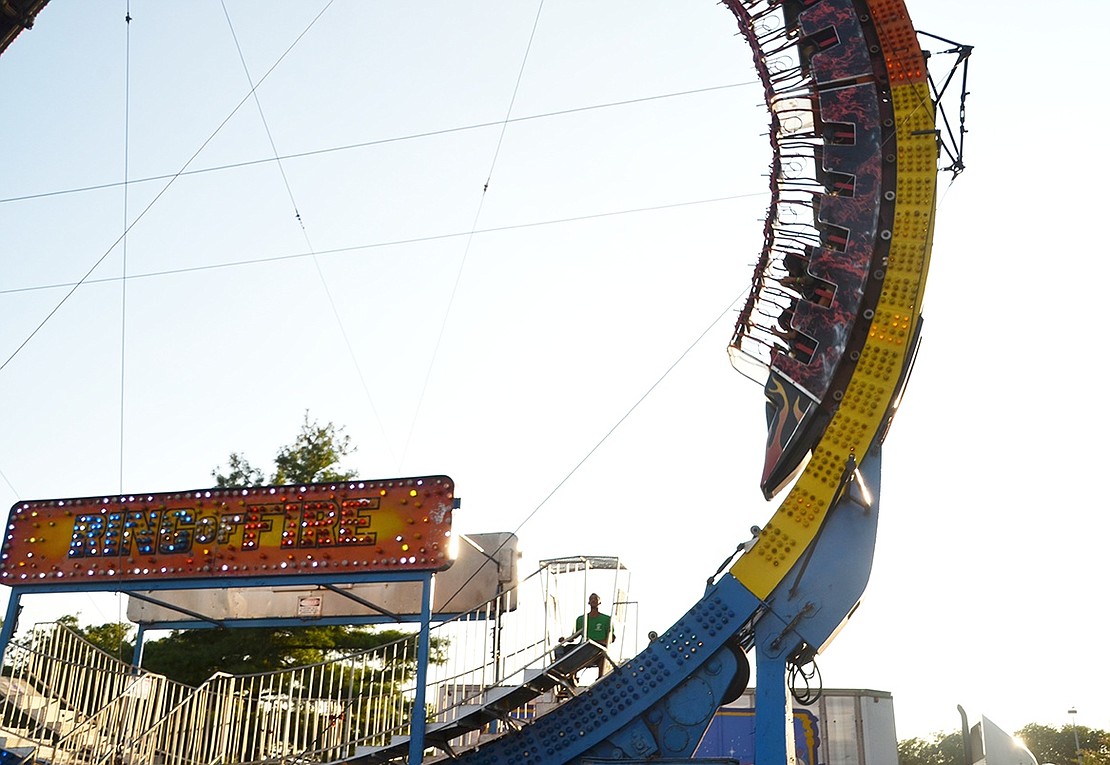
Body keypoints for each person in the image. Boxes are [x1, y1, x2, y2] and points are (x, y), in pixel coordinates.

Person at [561, 593, 615, 681]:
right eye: (591, 599)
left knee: (602, 655)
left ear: (599, 602)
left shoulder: (607, 619)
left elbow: (611, 638)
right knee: (567, 649)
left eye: (596, 599)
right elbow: (575, 636)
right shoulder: (581, 619)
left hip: (598, 647)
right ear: (589, 602)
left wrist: (600, 642)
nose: (593, 600)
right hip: (584, 647)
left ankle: (600, 677)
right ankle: (571, 676)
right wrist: (565, 640)